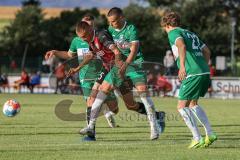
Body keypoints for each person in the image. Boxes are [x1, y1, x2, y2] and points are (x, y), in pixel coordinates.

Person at [77, 7, 165, 140]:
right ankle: (91, 127)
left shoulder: (131, 29)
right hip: (118, 65)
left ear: (122, 18)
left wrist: (125, 65)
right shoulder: (110, 30)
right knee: (104, 91)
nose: (111, 25)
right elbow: (103, 47)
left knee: (143, 95)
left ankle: (154, 127)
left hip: (135, 64)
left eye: (114, 22)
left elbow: (134, 50)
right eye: (110, 22)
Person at [45, 14, 118, 141]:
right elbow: (68, 54)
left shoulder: (99, 38)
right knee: (90, 102)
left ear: (92, 27)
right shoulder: (77, 40)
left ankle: (106, 110)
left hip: (104, 72)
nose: (87, 29)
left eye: (89, 26)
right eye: (84, 25)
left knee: (114, 108)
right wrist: (55, 52)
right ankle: (91, 134)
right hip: (86, 77)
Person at [161, 11, 217, 148]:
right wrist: (202, 66)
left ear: (166, 25)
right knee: (193, 104)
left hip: (192, 73)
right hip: (204, 72)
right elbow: (207, 51)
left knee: (181, 107)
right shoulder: (190, 33)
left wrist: (182, 68)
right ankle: (210, 133)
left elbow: (182, 46)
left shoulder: (173, 33)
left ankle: (197, 138)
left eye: (163, 27)